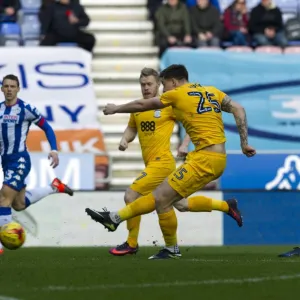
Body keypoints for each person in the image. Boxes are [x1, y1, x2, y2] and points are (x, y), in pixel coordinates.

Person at [86, 65, 254, 259]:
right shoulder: (211, 91)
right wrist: (244, 144)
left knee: (157, 197)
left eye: (164, 85)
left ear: (173, 81)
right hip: (210, 158)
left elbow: (143, 105)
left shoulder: (177, 94)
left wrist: (116, 109)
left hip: (203, 159)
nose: (164, 90)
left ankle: (122, 224)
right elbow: (238, 109)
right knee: (175, 202)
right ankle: (223, 208)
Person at [0, 74, 73, 255]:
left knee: (3, 199)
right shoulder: (0, 110)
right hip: (6, 162)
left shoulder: (25, 109)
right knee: (18, 204)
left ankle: (1, 245)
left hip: (20, 161)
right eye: (6, 86)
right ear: (2, 89)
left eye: (12, 86)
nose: (9, 89)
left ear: (18, 89)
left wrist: (54, 149)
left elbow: (46, 127)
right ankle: (54, 187)